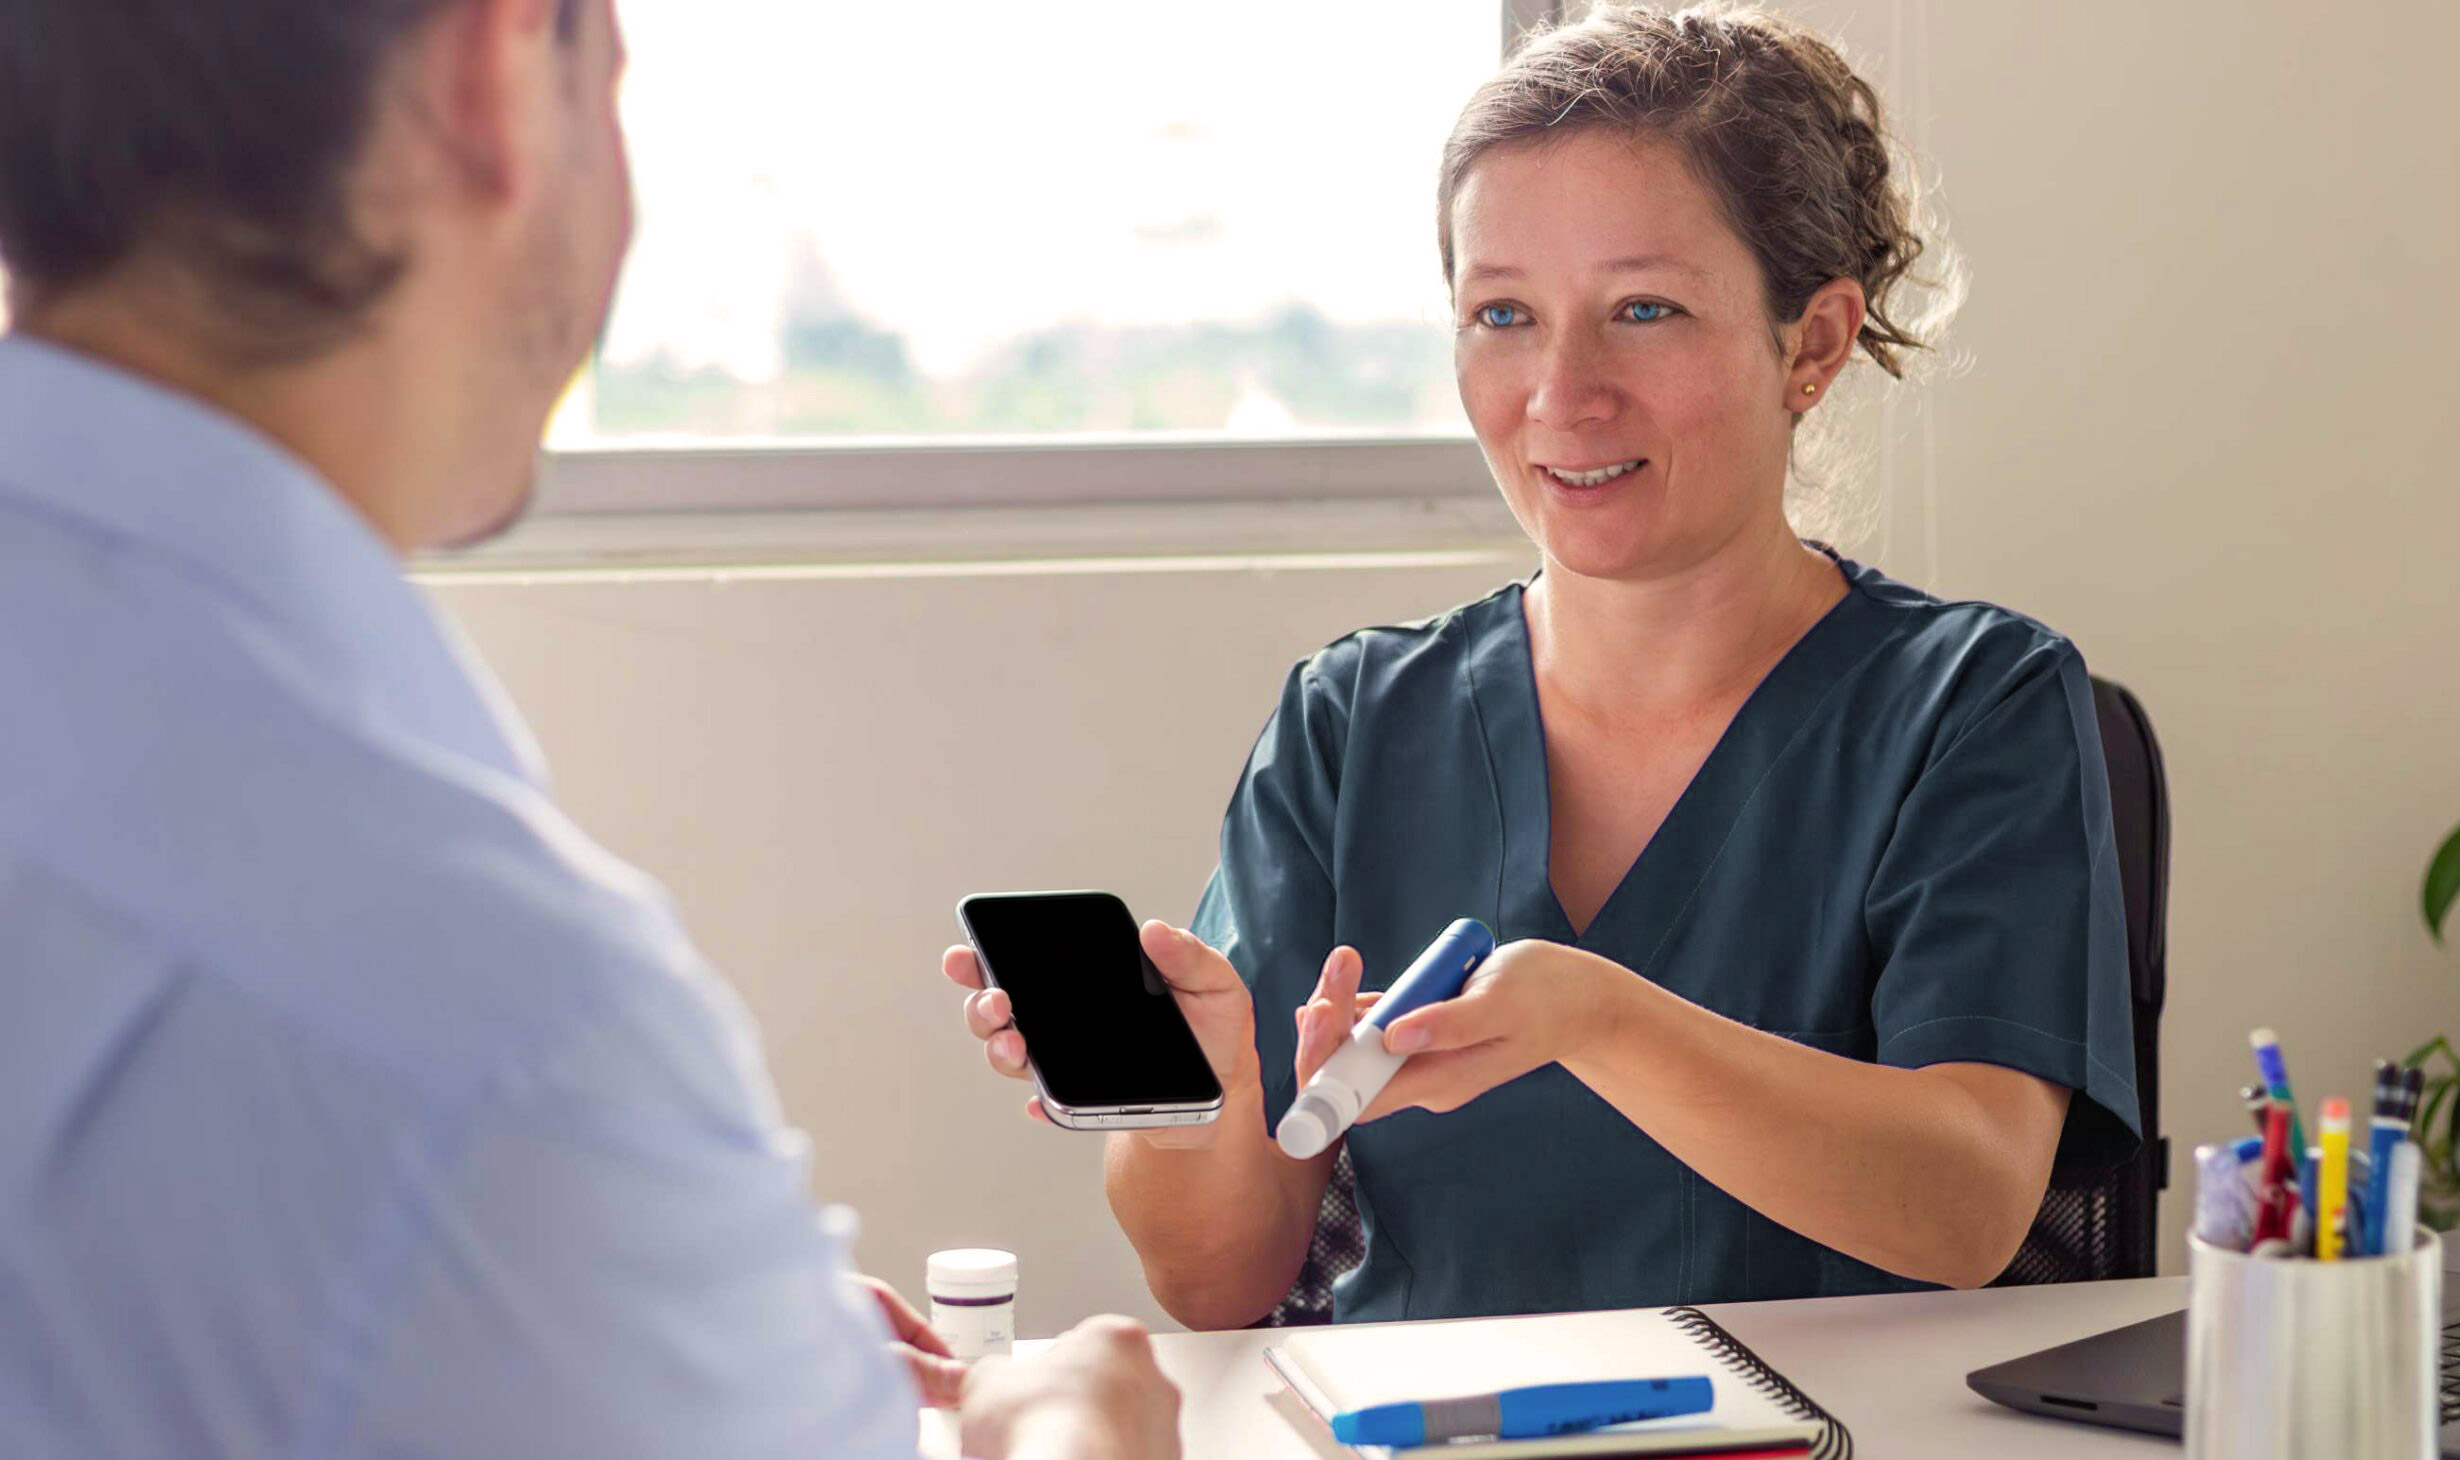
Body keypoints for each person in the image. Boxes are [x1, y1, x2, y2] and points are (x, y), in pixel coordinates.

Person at [0, 2, 1178, 1456]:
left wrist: (629, 1312)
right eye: (613, 85)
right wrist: (1074, 1425)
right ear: (493, 74)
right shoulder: (489, 1033)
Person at [949, 2, 2139, 1330]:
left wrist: (1600, 1021)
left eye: (1644, 309)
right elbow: (1219, 1286)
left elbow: (1969, 1208)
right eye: (1503, 313)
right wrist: (1202, 1106)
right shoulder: (1352, 723)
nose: (1562, 394)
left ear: (1810, 343)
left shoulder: (1974, 705)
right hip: (1426, 1421)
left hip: (1825, 1423)